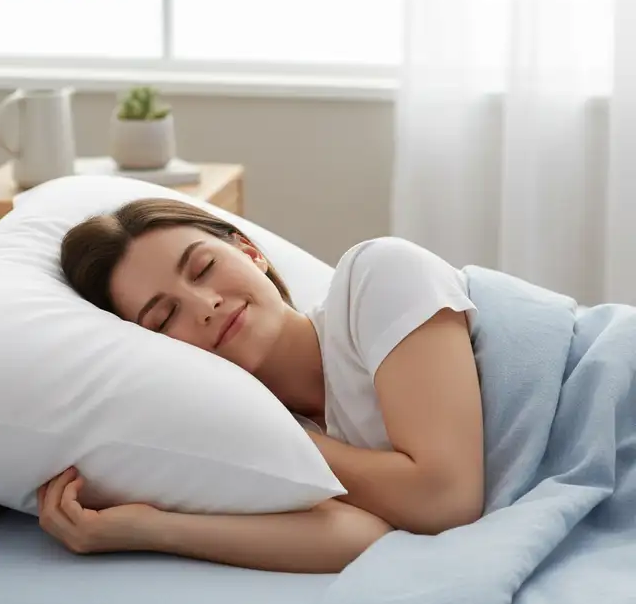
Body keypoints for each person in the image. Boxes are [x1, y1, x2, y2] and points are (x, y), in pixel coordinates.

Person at [37, 198, 485, 573]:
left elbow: (444, 500)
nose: (205, 304)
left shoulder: (378, 275)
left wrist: (280, 443)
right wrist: (147, 529)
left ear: (252, 252)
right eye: (164, 317)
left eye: (204, 267)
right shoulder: (252, 425)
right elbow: (361, 537)